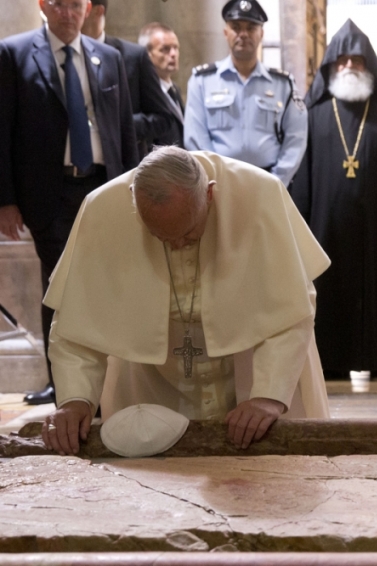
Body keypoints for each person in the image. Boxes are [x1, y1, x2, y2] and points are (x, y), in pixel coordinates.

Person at [40, 147, 331, 455]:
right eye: (161, 238)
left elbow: (290, 311)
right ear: (133, 200)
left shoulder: (260, 194)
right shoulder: (102, 209)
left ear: (209, 194)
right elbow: (77, 324)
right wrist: (75, 399)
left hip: (253, 375)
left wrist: (269, 395)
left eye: (189, 234)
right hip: (153, 385)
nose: (177, 245)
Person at [0, 0, 138, 406]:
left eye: (75, 4)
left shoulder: (108, 57)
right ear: (44, 5)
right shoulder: (14, 53)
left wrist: (134, 188)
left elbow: (124, 129)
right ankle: (65, 386)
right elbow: (2, 131)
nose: (68, 13)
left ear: (89, 8)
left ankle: (111, 382)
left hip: (103, 187)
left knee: (107, 284)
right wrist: (5, 200)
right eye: (59, 4)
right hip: (49, 192)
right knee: (59, 288)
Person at [290, 20, 377, 380]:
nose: (349, 65)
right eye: (342, 60)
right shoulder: (314, 112)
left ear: (368, 65)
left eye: (357, 60)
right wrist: (297, 224)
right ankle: (331, 362)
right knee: (329, 293)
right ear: (331, 66)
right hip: (325, 226)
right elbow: (301, 172)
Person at [184, 0, 307, 188]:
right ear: (226, 32)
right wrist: (215, 179)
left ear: (261, 34)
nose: (243, 34)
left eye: (251, 28)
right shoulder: (202, 81)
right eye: (236, 27)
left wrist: (277, 181)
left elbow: (296, 137)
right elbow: (195, 138)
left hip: (269, 182)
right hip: (218, 184)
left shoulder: (283, 84)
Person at [81, 0, 181, 154]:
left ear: (96, 11)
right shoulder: (62, 55)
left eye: (76, 5)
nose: (68, 14)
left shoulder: (132, 57)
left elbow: (163, 118)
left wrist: (120, 124)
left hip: (121, 164)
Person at [139, 22, 184, 145]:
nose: (173, 54)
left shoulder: (174, 89)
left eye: (176, 48)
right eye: (165, 49)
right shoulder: (142, 93)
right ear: (146, 54)